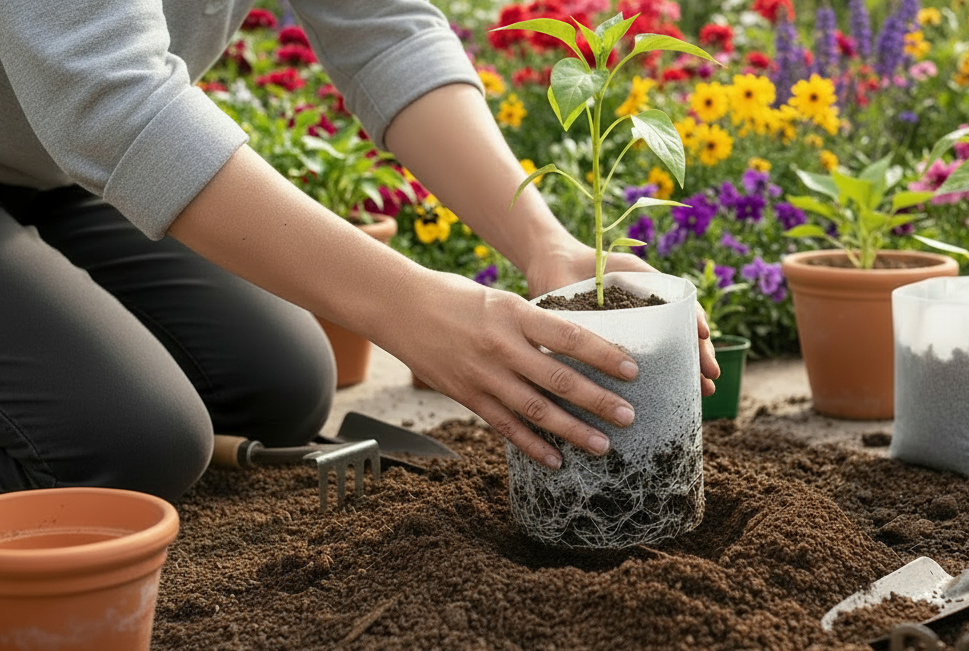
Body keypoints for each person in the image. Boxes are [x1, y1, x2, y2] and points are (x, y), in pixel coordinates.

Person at [0, 0, 719, 501]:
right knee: (130, 445)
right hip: (69, 126)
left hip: (44, 165)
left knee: (276, 384)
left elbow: (384, 32)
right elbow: (107, 95)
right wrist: (406, 305)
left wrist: (546, 243)